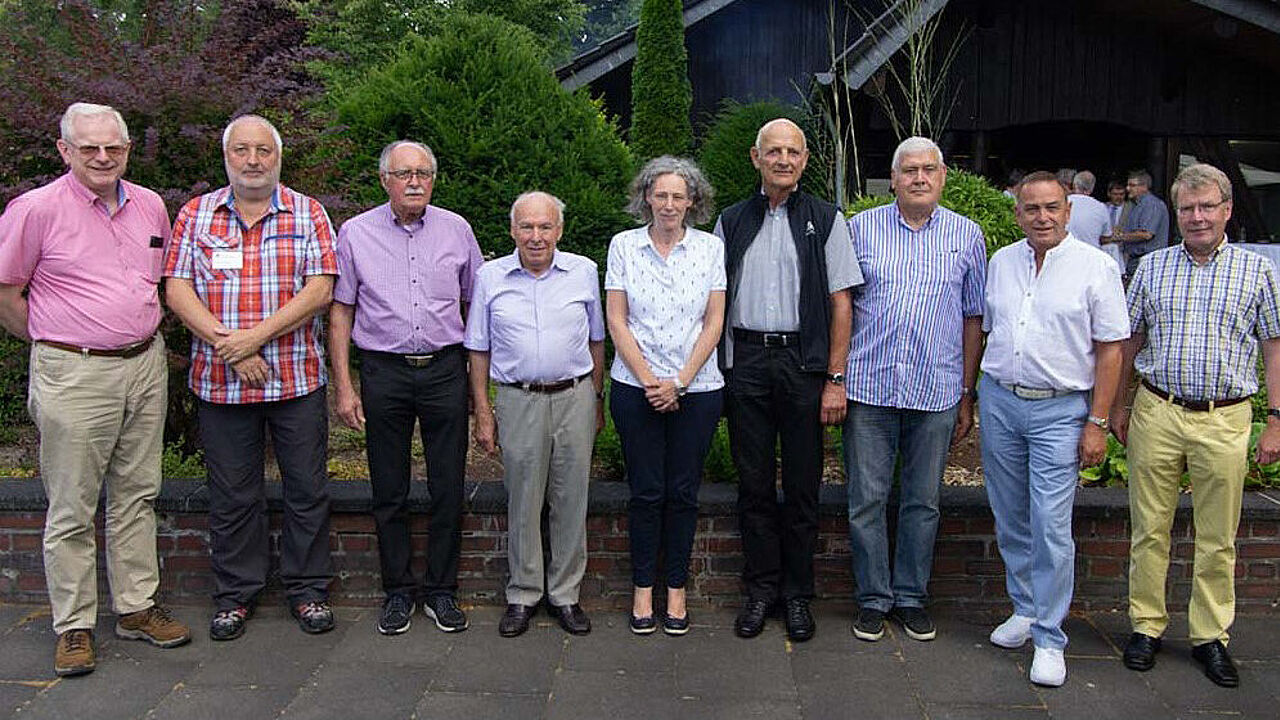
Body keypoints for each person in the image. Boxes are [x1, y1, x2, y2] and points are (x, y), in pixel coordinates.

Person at [0, 102, 191, 677]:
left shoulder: (151, 205)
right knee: (73, 505)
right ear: (64, 150)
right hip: (74, 372)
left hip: (144, 365)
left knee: (138, 493)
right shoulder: (34, 210)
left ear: (128, 149)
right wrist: (56, 344)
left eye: (114, 148)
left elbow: (154, 283)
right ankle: (75, 626)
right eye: (89, 148)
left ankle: (135, 607)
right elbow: (8, 295)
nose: (103, 158)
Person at [164, 115, 337, 640]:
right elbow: (175, 288)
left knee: (306, 489)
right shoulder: (196, 214)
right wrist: (230, 347)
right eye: (242, 149)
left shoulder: (308, 213)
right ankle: (235, 595)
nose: (253, 159)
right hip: (221, 383)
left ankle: (308, 591)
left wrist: (254, 338)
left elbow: (321, 288)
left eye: (263, 149)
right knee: (233, 493)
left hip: (295, 382)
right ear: (226, 156)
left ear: (278, 157)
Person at [1112, 163, 1280, 689]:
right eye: (1187, 208)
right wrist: (1117, 406)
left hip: (1224, 416)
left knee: (1217, 537)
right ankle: (1146, 626)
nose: (1197, 217)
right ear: (1176, 213)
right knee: (1149, 528)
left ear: (1227, 210)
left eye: (1207, 206)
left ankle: (1210, 637)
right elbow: (1128, 342)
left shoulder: (1257, 271)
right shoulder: (1153, 268)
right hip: (1157, 410)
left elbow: (1275, 348)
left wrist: (1275, 421)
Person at [714, 119, 862, 642]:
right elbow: (713, 303)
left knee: (802, 488)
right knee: (753, 486)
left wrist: (835, 378)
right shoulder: (730, 221)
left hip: (803, 366)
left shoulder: (825, 218)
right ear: (755, 158)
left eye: (792, 152)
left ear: (804, 160)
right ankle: (760, 592)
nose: (783, 160)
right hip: (747, 363)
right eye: (773, 151)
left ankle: (798, 595)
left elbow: (842, 303)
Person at [980, 171, 1128, 687]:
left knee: (1050, 523)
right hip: (1000, 400)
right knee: (1010, 514)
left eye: (1051, 208)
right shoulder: (1002, 262)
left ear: (1068, 211)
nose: (1041, 217)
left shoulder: (1096, 267)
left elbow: (1112, 349)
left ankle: (1049, 635)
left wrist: (1099, 422)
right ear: (1017, 213)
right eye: (1030, 208)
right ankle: (1023, 607)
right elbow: (988, 327)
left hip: (1060, 410)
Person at [328, 140, 482, 636]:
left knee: (447, 486)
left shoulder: (457, 229)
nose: (415, 181)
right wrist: (344, 385)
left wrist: (481, 391)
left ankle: (441, 591)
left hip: (443, 369)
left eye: (424, 172)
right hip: (383, 371)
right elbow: (341, 311)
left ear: (434, 180)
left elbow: (477, 305)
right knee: (388, 488)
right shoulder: (355, 233)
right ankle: (397, 591)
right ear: (384, 180)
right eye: (404, 173)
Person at [844, 136, 986, 644]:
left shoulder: (967, 236)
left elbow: (974, 319)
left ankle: (910, 596)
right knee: (866, 500)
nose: (920, 178)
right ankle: (872, 599)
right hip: (870, 386)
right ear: (894, 178)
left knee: (923, 502)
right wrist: (836, 377)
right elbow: (843, 307)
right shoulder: (860, 229)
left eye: (929, 169)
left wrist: (967, 392)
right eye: (910, 171)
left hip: (936, 388)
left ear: (943, 176)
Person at [466, 191, 604, 638]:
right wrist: (483, 411)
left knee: (570, 498)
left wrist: (597, 398)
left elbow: (598, 341)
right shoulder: (490, 277)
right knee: (523, 498)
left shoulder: (583, 272)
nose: (536, 236)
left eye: (545, 227)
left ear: (559, 231)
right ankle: (523, 594)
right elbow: (478, 348)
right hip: (517, 398)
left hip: (574, 397)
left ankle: (565, 594)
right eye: (526, 226)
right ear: (512, 231)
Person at [605, 157, 725, 636]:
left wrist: (679, 380)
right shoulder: (624, 246)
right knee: (646, 491)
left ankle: (675, 589)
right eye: (661, 195)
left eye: (679, 196)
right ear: (646, 198)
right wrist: (653, 380)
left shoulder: (711, 248)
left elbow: (713, 321)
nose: (670, 204)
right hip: (636, 389)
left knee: (682, 493)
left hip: (698, 390)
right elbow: (617, 319)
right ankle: (641, 590)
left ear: (692, 201)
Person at [1113, 170, 1169, 277]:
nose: (1128, 189)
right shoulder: (1136, 205)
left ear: (1144, 187)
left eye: (1132, 185)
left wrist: (1119, 237)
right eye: (1128, 185)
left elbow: (1146, 234)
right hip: (1135, 262)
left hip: (1148, 263)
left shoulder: (1152, 204)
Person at [1066, 170, 1112, 249]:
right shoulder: (1101, 207)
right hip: (1091, 254)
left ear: (1074, 185)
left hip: (1064, 253)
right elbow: (1106, 237)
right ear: (1092, 188)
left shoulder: (1062, 202)